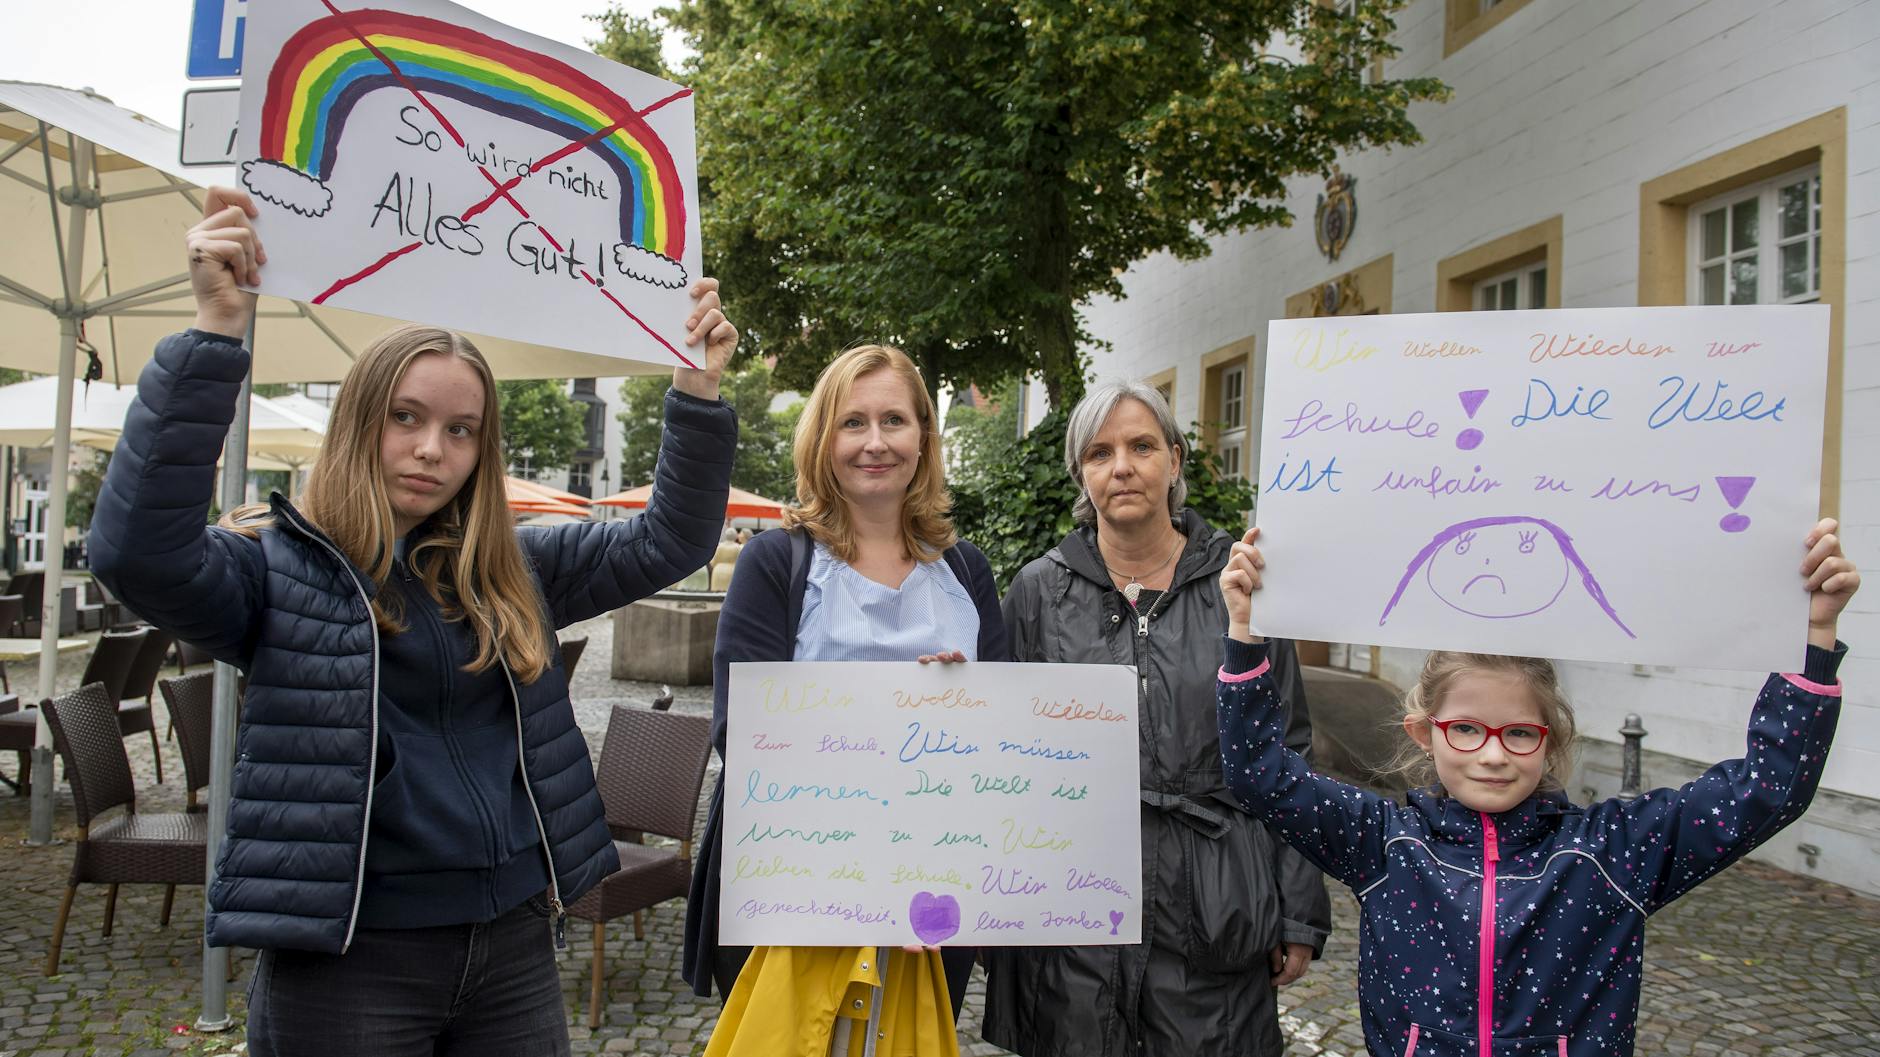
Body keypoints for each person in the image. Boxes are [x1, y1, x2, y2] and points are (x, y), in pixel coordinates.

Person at [87, 187, 741, 1057]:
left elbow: (669, 539)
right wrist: (215, 332)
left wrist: (696, 392)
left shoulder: (513, 566)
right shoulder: (276, 570)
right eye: (407, 417)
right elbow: (135, 554)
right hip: (351, 959)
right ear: (362, 419)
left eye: (461, 429)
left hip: (512, 941)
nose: (433, 448)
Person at [1215, 520, 1858, 1057]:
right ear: (1424, 732)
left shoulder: (1611, 852)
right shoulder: (1386, 845)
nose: (1493, 755)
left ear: (1551, 740)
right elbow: (1259, 773)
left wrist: (1814, 636)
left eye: (1520, 733)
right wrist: (1245, 631)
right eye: (1467, 729)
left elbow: (1767, 788)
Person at [983, 380, 1330, 1057]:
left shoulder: (1241, 586)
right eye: (1100, 452)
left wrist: (1296, 908)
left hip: (1216, 902)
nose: (1122, 467)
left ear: (1174, 460)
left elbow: (1287, 749)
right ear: (1081, 473)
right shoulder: (1037, 591)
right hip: (1076, 899)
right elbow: (1002, 756)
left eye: (1142, 446)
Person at [682, 344, 1008, 1031]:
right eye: (853, 422)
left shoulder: (967, 571)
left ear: (924, 437)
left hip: (933, 883)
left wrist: (965, 705)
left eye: (894, 420)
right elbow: (740, 731)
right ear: (823, 440)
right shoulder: (776, 562)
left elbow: (1003, 735)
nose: (875, 441)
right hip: (802, 882)